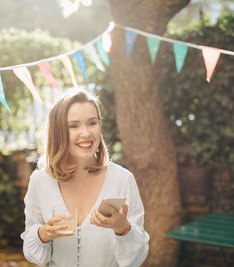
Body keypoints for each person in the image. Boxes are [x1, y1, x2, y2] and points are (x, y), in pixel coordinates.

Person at [21, 89, 149, 267]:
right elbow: (32, 252)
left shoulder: (122, 180)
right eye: (74, 126)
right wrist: (42, 234)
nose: (86, 133)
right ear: (58, 132)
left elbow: (136, 258)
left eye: (92, 123)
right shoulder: (40, 181)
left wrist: (123, 229)